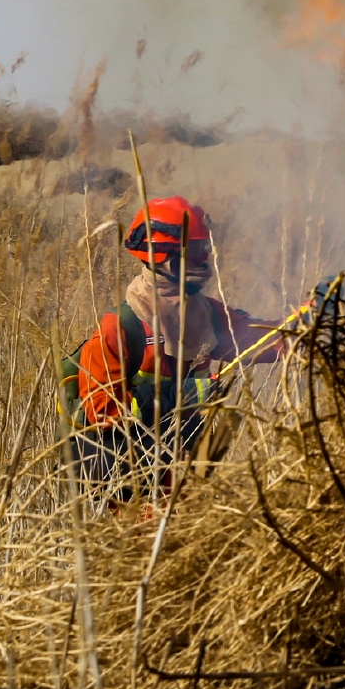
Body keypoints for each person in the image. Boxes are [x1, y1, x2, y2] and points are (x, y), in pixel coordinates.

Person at [58, 197, 290, 502]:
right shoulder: (121, 325)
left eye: (204, 249)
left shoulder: (205, 312)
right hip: (132, 484)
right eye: (195, 251)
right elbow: (101, 408)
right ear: (163, 257)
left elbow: (254, 339)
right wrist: (175, 397)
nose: (204, 259)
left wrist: (306, 323)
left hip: (186, 474)